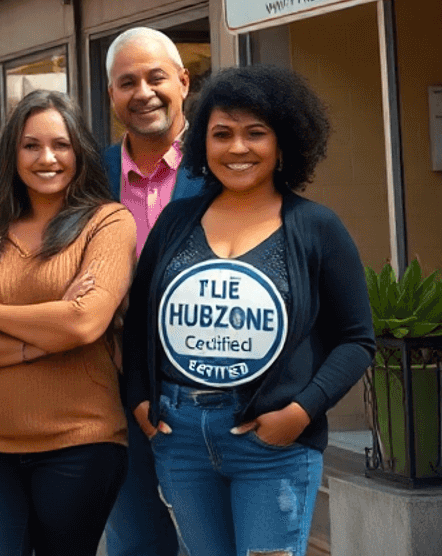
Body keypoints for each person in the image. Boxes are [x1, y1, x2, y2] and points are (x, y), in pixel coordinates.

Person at [124, 65, 372, 556]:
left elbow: (356, 339)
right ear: (203, 145)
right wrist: (141, 404)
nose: (238, 148)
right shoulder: (175, 222)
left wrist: (301, 413)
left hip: (272, 445)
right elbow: (137, 325)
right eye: (222, 135)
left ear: (283, 145)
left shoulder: (316, 227)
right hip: (181, 437)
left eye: (255, 133)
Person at [0, 91, 133, 556]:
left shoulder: (107, 222)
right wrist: (45, 336)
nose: (46, 158)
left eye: (61, 145)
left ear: (80, 153)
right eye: (31, 145)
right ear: (12, 152)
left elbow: (84, 322)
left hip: (82, 442)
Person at [100, 28, 202, 556]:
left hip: (210, 390)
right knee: (136, 542)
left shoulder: (224, 165)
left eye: (156, 77)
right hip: (117, 395)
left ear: (183, 82)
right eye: (127, 82)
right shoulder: (88, 177)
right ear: (111, 95)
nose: (143, 92)